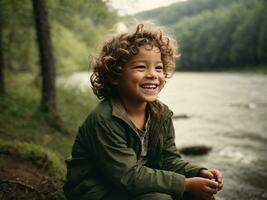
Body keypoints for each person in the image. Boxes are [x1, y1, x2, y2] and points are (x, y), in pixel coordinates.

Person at [63, 23, 224, 200]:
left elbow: (168, 160)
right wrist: (185, 184)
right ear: (115, 76)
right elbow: (128, 176)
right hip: (94, 190)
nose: (153, 74)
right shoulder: (104, 119)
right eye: (141, 67)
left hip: (132, 184)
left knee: (202, 196)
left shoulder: (161, 114)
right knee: (160, 199)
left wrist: (199, 172)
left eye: (159, 68)